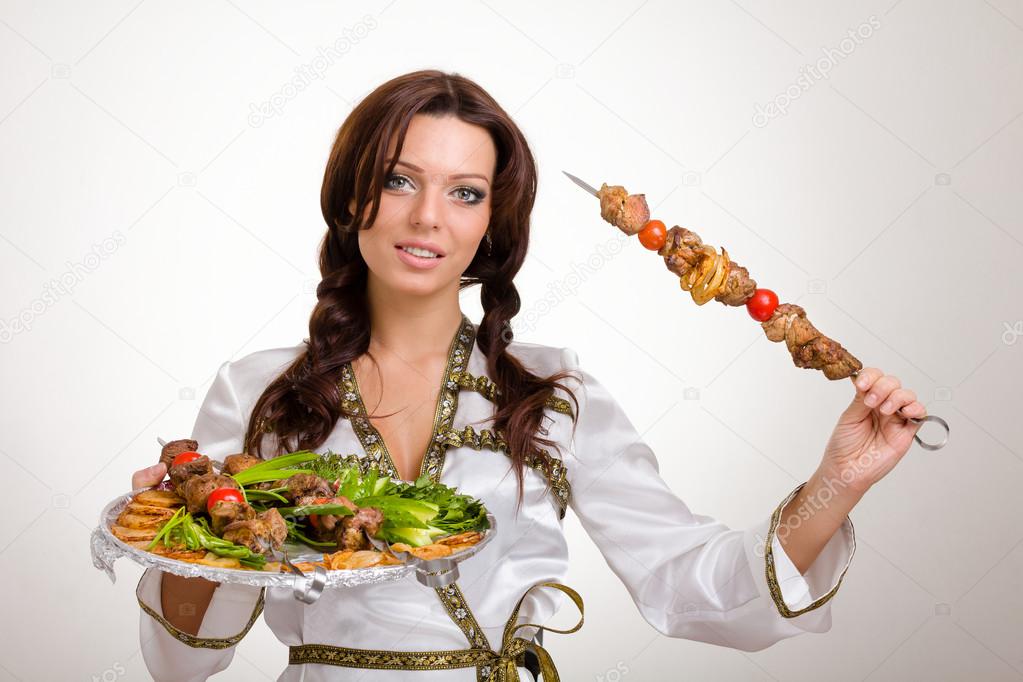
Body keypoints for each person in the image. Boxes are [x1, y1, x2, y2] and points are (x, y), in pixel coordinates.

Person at [129, 70, 927, 682]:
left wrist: (838, 481)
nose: (428, 216)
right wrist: (190, 533)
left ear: (491, 224)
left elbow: (688, 582)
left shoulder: (550, 394)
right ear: (351, 198)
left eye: (465, 193)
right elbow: (182, 663)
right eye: (400, 179)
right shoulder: (260, 392)